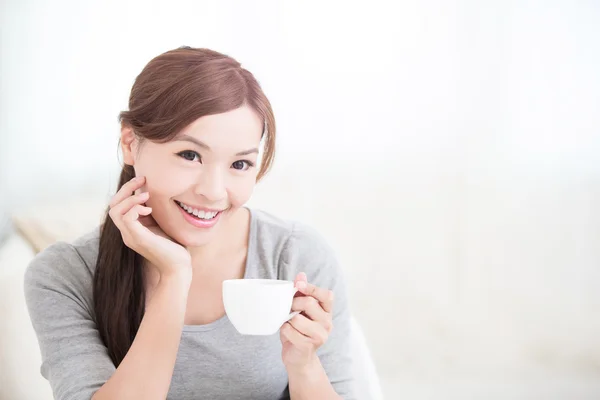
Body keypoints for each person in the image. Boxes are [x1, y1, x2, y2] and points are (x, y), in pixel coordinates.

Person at [24, 46, 355, 399]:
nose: (213, 192)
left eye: (240, 164)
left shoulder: (294, 254)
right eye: (190, 155)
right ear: (130, 143)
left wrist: (304, 363)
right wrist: (174, 276)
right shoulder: (63, 275)